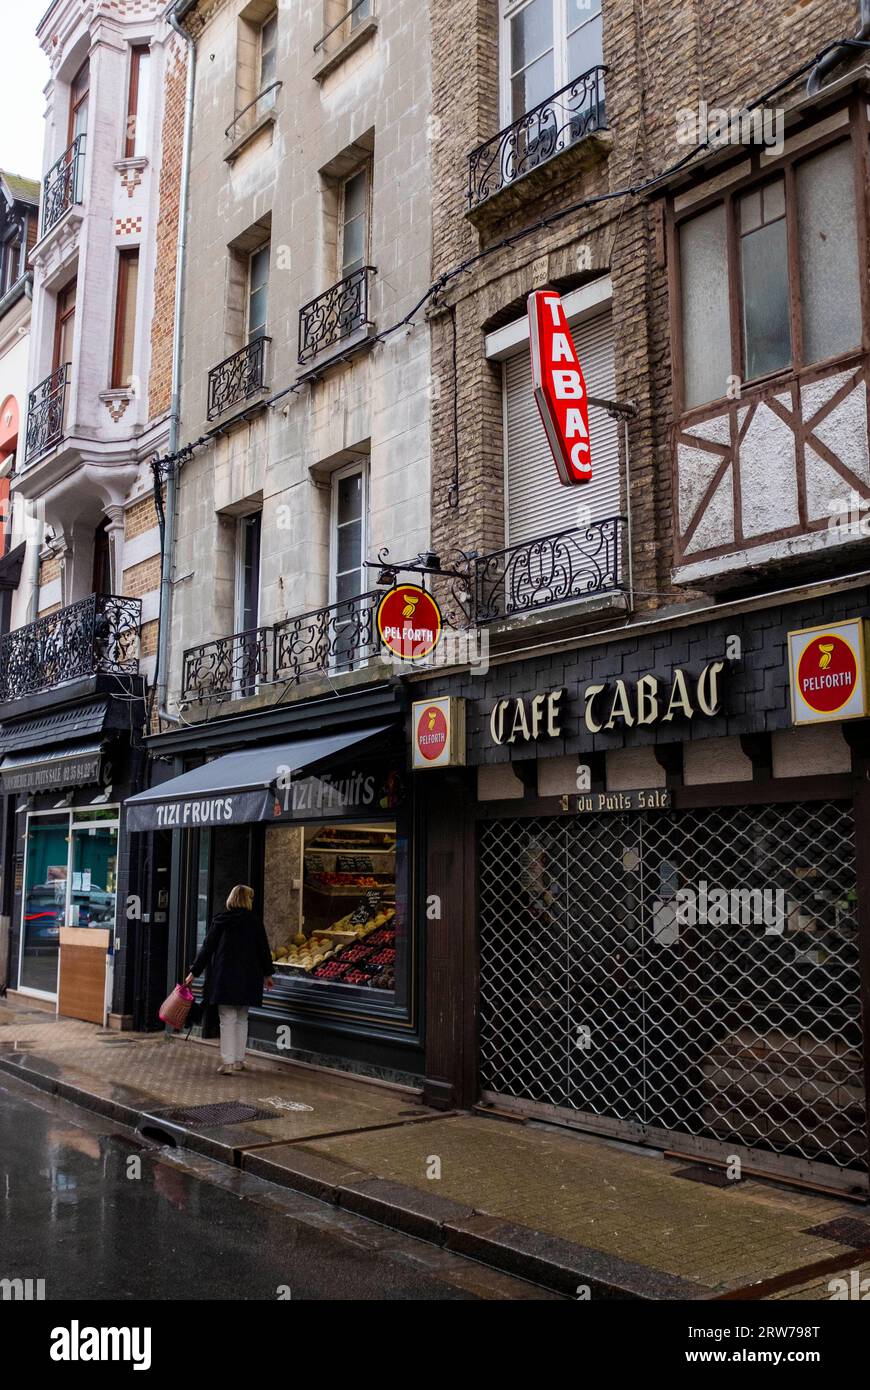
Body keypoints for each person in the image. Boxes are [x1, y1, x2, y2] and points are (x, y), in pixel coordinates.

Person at [185, 884, 274, 1075]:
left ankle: (228, 1063)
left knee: (227, 1019)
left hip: (225, 977)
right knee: (242, 1018)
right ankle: (239, 1060)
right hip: (249, 977)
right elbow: (263, 950)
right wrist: (267, 974)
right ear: (246, 900)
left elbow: (207, 948)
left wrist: (194, 972)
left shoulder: (222, 920)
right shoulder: (255, 922)